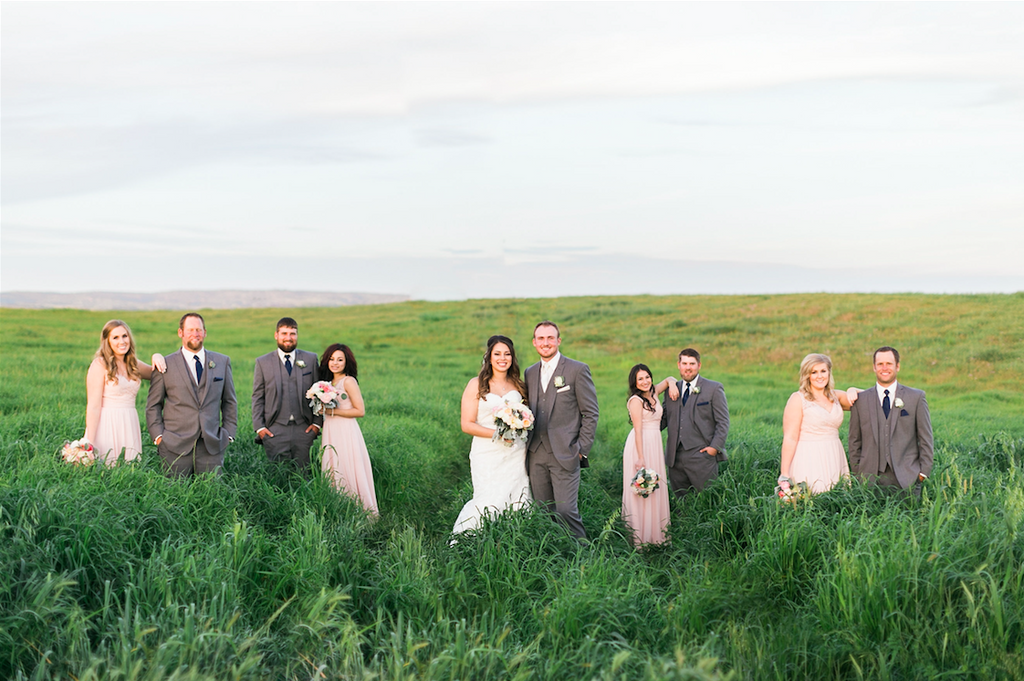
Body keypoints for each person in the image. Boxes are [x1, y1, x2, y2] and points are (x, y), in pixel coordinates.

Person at [524, 321, 599, 540]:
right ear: (534, 342)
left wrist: (582, 449)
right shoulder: (529, 372)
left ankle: (583, 556)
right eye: (540, 338)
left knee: (566, 511)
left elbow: (591, 413)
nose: (545, 343)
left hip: (566, 452)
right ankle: (552, 556)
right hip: (535, 453)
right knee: (543, 511)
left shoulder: (577, 370)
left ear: (558, 341)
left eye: (550, 338)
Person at [451, 335, 532, 534]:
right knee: (488, 496)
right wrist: (498, 434)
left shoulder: (519, 385)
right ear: (489, 357)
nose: (502, 358)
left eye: (507, 354)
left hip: (516, 453)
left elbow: (526, 416)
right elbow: (466, 424)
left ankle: (515, 538)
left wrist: (520, 425)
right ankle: (471, 539)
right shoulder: (476, 384)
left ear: (512, 358)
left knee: (518, 496)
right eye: (497, 354)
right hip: (487, 453)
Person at [145, 313, 237, 477]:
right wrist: (159, 437)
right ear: (180, 333)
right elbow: (153, 405)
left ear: (205, 332)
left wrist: (228, 434)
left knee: (212, 494)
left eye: (198, 329)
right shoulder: (165, 364)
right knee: (175, 497)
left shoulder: (222, 362)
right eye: (190, 330)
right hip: (174, 445)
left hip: (212, 445)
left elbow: (229, 401)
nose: (195, 334)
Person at [848, 346, 933, 495]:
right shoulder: (860, 401)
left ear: (897, 366)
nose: (884, 368)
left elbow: (925, 437)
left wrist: (923, 472)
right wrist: (857, 473)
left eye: (889, 363)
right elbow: (854, 440)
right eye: (880, 364)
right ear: (874, 367)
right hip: (869, 481)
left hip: (908, 479)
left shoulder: (916, 397)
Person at [84, 319, 166, 465]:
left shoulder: (133, 363)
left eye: (124, 336)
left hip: (129, 422)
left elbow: (157, 373)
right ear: (107, 341)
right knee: (106, 470)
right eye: (115, 337)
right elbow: (93, 406)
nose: (121, 341)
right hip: (107, 424)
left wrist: (157, 356)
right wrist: (88, 441)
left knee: (129, 470)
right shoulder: (100, 364)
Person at [778, 354, 861, 495]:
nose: (819, 376)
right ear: (807, 375)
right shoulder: (798, 399)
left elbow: (871, 398)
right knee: (813, 499)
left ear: (829, 372)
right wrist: (784, 473)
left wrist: (853, 389)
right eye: (814, 372)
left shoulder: (836, 396)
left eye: (823, 371)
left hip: (834, 453)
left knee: (837, 500)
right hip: (809, 456)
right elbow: (790, 438)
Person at [252, 317, 322, 473]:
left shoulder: (310, 359)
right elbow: (258, 396)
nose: (288, 338)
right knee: (278, 477)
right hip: (275, 429)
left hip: (304, 429)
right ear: (276, 335)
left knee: (305, 475)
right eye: (284, 333)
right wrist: (260, 428)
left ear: (297, 335)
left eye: (293, 333)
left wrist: (317, 424)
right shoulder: (263, 362)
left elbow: (320, 393)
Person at [660, 348, 729, 498]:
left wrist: (714, 448)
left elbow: (723, 421)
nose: (688, 367)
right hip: (675, 458)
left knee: (708, 501)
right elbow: (662, 420)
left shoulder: (713, 388)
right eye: (684, 363)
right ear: (678, 365)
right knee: (681, 503)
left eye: (692, 363)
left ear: (699, 365)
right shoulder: (671, 390)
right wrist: (642, 414)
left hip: (702, 456)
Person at [318, 343, 378, 514]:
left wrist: (331, 411)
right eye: (331, 359)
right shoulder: (327, 384)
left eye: (340, 360)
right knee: (333, 466)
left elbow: (360, 411)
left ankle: (362, 511)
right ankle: (339, 510)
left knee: (347, 466)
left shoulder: (348, 381)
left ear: (346, 362)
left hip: (345, 430)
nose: (335, 363)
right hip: (330, 430)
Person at [621, 364, 675, 546]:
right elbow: (637, 430)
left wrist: (673, 384)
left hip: (655, 444)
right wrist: (641, 457)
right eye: (640, 379)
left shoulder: (653, 393)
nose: (645, 381)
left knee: (656, 486)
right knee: (643, 487)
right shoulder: (636, 401)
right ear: (635, 383)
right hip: (640, 445)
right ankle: (640, 538)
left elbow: (669, 380)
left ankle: (657, 537)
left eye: (647, 377)